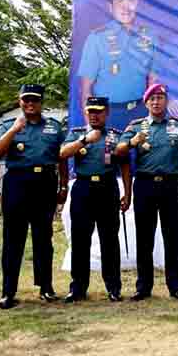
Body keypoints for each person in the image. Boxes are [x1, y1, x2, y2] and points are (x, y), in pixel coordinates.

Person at [0, 84, 68, 309]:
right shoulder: (8, 125)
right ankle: (8, 291)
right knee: (13, 239)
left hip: (45, 183)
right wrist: (14, 129)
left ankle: (46, 287)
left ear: (41, 102)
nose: (30, 104)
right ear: (20, 101)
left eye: (34, 100)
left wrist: (63, 186)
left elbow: (62, 158)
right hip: (17, 183)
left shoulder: (54, 127)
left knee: (44, 238)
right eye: (26, 100)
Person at [116, 83, 178, 300]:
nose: (156, 102)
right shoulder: (136, 126)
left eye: (160, 98)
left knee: (172, 237)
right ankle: (143, 287)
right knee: (144, 238)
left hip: (171, 185)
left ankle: (176, 287)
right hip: (144, 185)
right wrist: (132, 142)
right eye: (152, 99)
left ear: (166, 101)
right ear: (146, 102)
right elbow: (119, 150)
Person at [59, 96, 131, 303]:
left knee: (109, 240)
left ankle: (113, 287)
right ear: (86, 113)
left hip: (107, 188)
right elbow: (62, 154)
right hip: (83, 188)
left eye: (99, 111)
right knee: (80, 240)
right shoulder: (76, 134)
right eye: (91, 111)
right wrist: (84, 140)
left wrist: (128, 192)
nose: (95, 115)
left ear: (106, 112)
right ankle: (78, 288)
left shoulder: (116, 136)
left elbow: (125, 165)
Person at [77, 0, 161, 128]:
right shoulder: (97, 38)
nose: (126, 7)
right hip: (107, 114)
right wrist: (90, 127)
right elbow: (86, 90)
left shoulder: (150, 37)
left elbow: (153, 82)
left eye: (131, 1)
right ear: (110, 7)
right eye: (119, 1)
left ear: (138, 5)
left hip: (141, 112)